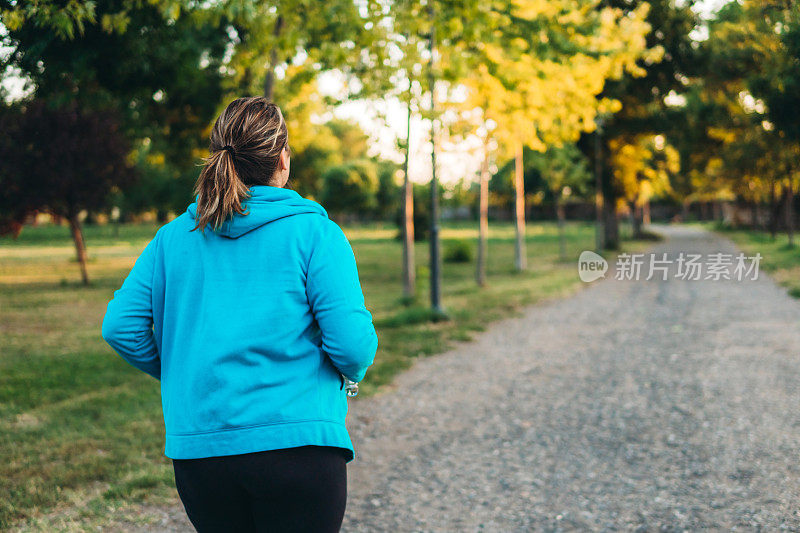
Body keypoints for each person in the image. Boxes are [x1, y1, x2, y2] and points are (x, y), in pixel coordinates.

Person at [101, 96, 379, 532]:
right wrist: (350, 372)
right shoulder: (316, 234)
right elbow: (352, 345)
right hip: (299, 449)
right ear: (282, 160)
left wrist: (184, 369)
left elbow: (120, 327)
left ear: (218, 158)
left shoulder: (173, 238)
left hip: (202, 457)